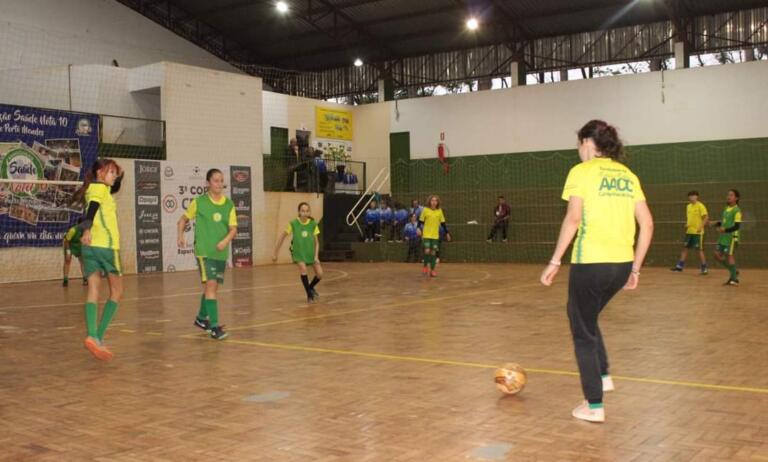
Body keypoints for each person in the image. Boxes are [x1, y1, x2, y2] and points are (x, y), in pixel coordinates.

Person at [540, 120, 653, 423]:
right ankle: (602, 375)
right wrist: (636, 268)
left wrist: (555, 261)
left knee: (582, 331)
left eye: (579, 144)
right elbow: (647, 223)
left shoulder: (581, 172)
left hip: (591, 262)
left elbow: (573, 219)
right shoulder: (628, 175)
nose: (578, 150)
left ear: (588, 143)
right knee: (584, 316)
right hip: (621, 265)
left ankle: (594, 405)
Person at [72, 159, 126, 361]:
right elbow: (92, 210)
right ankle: (98, 336)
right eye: (111, 172)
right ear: (100, 173)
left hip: (89, 249)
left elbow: (115, 186)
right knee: (117, 292)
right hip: (106, 247)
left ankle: (93, 336)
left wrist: (120, 173)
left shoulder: (97, 188)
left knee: (94, 289)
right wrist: (86, 229)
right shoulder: (100, 189)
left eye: (115, 173)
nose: (114, 176)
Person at [177, 168, 237, 341]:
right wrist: (180, 236)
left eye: (221, 181)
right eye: (216, 180)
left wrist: (225, 241)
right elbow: (182, 220)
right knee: (211, 286)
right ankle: (214, 328)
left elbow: (233, 229)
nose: (219, 184)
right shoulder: (199, 202)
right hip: (204, 251)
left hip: (221, 253)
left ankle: (201, 318)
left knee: (213, 287)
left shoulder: (229, 204)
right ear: (207, 183)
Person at [272, 202, 324, 303]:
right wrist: (275, 253)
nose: (305, 213)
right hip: (298, 252)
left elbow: (317, 242)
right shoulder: (293, 224)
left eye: (307, 211)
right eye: (303, 211)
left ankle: (310, 287)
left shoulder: (313, 224)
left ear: (309, 212)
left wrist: (316, 256)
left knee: (320, 274)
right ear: (299, 212)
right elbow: (282, 237)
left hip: (310, 252)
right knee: (303, 269)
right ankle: (309, 295)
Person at [670, 191, 709, 274]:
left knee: (699, 250)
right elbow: (690, 218)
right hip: (689, 232)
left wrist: (700, 227)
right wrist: (687, 224)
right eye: (690, 196)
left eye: (693, 196)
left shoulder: (700, 206)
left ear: (697, 197)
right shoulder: (688, 206)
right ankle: (679, 267)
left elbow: (706, 218)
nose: (691, 198)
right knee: (685, 248)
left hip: (698, 233)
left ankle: (704, 268)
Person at [711, 189, 742, 286]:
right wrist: (716, 223)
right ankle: (733, 271)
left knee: (729, 255)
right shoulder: (726, 208)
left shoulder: (737, 211)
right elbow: (725, 222)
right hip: (723, 237)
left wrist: (725, 230)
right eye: (728, 195)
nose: (729, 196)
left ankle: (734, 279)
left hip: (731, 237)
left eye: (731, 195)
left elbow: (737, 226)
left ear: (736, 198)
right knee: (716, 254)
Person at [417, 195, 451, 277]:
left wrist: (447, 233)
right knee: (427, 251)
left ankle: (432, 270)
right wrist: (418, 228)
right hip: (426, 234)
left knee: (433, 253)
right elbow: (420, 221)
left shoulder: (439, 211)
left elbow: (443, 223)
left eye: (436, 200)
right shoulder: (425, 210)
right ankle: (425, 266)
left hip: (435, 236)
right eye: (432, 200)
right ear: (429, 201)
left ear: (437, 202)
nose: (434, 202)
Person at [62, 219, 86, 287]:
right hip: (69, 245)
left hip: (79, 245)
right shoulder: (73, 230)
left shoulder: (86, 230)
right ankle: (65, 279)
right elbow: (67, 241)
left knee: (83, 261)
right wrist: (68, 252)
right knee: (67, 260)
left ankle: (85, 278)